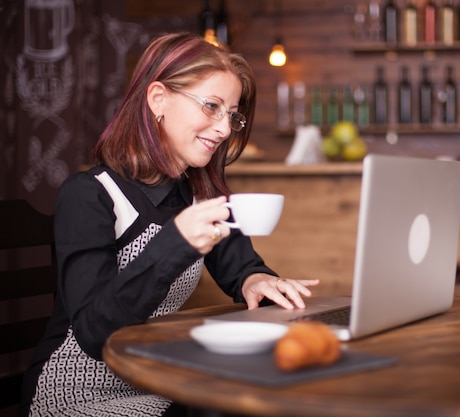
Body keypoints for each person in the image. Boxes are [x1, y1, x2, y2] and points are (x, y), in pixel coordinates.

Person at [20, 32, 319, 417]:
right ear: (158, 98)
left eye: (231, 114)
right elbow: (94, 331)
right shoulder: (90, 195)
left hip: (154, 380)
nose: (225, 129)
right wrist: (175, 242)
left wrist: (255, 279)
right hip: (74, 395)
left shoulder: (198, 194)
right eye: (211, 106)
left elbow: (242, 266)